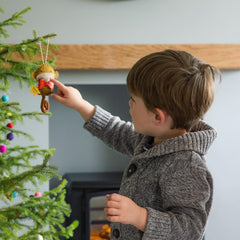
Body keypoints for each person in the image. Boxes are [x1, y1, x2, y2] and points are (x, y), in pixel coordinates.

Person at [50, 49, 220, 240]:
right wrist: (81, 105)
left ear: (157, 117)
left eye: (134, 99)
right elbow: (116, 131)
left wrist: (140, 216)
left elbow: (190, 229)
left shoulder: (186, 165)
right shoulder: (151, 140)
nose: (129, 103)